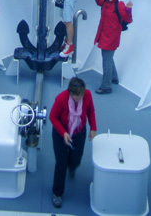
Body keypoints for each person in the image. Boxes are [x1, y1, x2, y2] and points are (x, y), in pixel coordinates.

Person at [49, 76, 97, 210]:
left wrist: (93, 127)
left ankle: (72, 166)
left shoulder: (87, 95)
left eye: (81, 96)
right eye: (76, 97)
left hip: (78, 133)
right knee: (61, 163)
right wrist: (63, 133)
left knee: (76, 159)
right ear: (70, 93)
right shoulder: (61, 99)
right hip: (61, 134)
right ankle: (57, 194)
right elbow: (52, 117)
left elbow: (90, 111)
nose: (79, 99)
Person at [92, 0, 133, 94]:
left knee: (106, 61)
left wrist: (128, 9)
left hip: (111, 38)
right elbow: (98, 1)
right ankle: (114, 78)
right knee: (108, 59)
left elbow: (127, 18)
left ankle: (106, 86)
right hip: (105, 35)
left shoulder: (119, 5)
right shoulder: (105, 2)